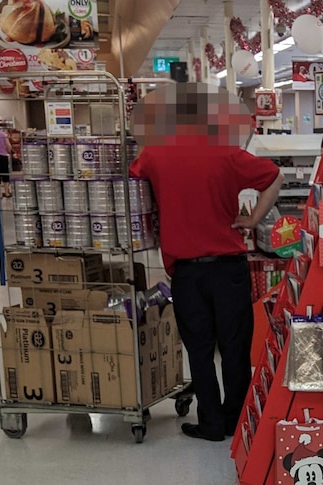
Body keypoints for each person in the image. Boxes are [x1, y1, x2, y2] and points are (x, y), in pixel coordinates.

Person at [130, 83, 284, 442]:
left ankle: (211, 423)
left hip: (186, 271)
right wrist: (253, 218)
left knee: (199, 350)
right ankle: (239, 420)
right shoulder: (227, 154)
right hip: (228, 268)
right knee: (234, 347)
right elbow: (274, 176)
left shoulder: (155, 155)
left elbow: (132, 180)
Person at [0, 126, 13, 198]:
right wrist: (9, 151)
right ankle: (6, 192)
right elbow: (8, 146)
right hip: (3, 156)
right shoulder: (2, 134)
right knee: (5, 174)